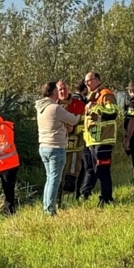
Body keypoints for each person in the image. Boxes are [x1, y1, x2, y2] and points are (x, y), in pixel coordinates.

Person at [36, 81, 80, 216]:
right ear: (54, 92)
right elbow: (73, 120)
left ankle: (46, 207)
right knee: (55, 180)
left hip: (44, 146)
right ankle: (50, 210)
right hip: (55, 147)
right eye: (57, 89)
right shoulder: (55, 108)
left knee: (50, 179)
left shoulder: (40, 107)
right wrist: (80, 113)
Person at [79, 71, 119, 205]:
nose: (86, 84)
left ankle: (107, 198)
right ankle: (85, 194)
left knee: (103, 170)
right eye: (85, 82)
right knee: (93, 170)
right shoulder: (91, 97)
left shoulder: (105, 94)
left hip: (104, 139)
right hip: (92, 140)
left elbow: (112, 112)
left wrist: (95, 107)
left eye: (89, 81)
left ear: (97, 80)